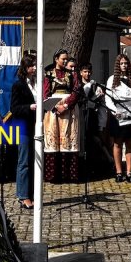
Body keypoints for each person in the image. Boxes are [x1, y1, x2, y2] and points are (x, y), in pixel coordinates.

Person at [104, 54, 131, 183]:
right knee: (117, 143)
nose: (124, 66)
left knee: (129, 144)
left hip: (130, 112)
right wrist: (114, 111)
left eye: (126, 63)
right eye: (121, 63)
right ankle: (119, 171)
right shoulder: (112, 80)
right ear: (118, 65)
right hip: (117, 113)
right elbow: (108, 98)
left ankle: (129, 171)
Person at [43, 48, 81, 181]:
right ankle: (53, 176)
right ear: (56, 59)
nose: (65, 61)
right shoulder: (48, 74)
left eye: (66, 59)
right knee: (53, 139)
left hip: (69, 111)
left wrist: (65, 105)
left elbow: (77, 91)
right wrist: (55, 106)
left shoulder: (72, 74)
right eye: (63, 59)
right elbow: (45, 93)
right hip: (53, 112)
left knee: (69, 138)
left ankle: (69, 175)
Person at [9, 54, 38, 208]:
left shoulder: (37, 83)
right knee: (24, 161)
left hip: (35, 125)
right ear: (26, 68)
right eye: (32, 65)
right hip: (23, 126)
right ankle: (23, 195)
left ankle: (32, 193)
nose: (34, 68)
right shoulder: (18, 85)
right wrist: (29, 107)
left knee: (33, 161)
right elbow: (13, 108)